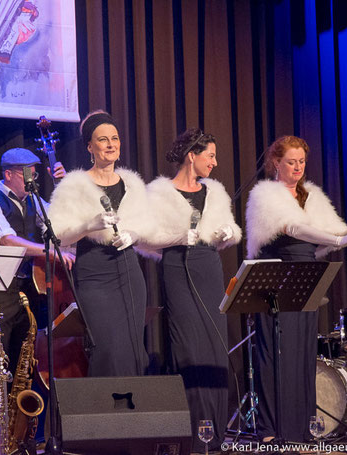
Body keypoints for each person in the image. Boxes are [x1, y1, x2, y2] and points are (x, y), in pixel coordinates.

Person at [245, 135, 347, 442]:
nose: (297, 167)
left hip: (307, 276)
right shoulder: (265, 194)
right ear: (275, 163)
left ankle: (302, 428)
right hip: (280, 277)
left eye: (301, 162)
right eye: (290, 162)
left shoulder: (311, 195)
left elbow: (332, 230)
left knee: (302, 352)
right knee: (277, 352)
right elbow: (292, 227)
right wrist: (339, 240)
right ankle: (272, 429)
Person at [146, 128, 242, 453]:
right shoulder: (159, 192)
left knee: (215, 348)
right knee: (188, 348)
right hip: (176, 268)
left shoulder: (214, 191)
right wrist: (178, 238)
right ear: (192, 155)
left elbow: (230, 232)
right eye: (210, 155)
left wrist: (229, 232)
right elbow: (145, 238)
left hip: (209, 268)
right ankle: (191, 435)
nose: (215, 162)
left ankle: (214, 434)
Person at [0, 147, 74, 418]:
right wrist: (48, 252)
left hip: (28, 290)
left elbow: (65, 225)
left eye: (35, 173)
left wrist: (62, 187)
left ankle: (23, 431)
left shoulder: (36, 201)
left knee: (25, 360)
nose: (33, 179)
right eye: (27, 173)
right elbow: (6, 240)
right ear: (8, 174)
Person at [47, 110, 150, 377]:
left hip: (130, 272)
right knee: (107, 348)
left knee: (132, 347)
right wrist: (88, 226)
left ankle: (132, 414)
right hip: (94, 275)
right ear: (90, 146)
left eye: (114, 138)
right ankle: (108, 415)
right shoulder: (74, 186)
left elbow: (147, 225)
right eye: (103, 139)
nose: (110, 144)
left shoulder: (133, 184)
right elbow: (57, 237)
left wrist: (134, 235)